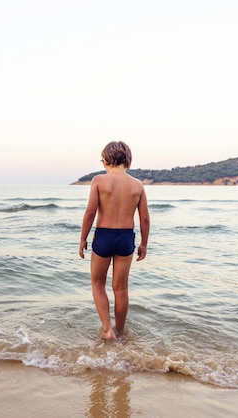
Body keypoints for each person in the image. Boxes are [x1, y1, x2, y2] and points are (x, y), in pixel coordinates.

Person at [79, 141, 150, 340]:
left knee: (97, 283)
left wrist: (82, 239)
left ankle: (107, 329)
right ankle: (120, 331)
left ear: (107, 160)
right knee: (121, 287)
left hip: (104, 236)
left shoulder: (99, 181)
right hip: (126, 238)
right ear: (127, 161)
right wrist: (144, 243)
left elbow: (90, 212)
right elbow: (144, 218)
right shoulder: (137, 185)